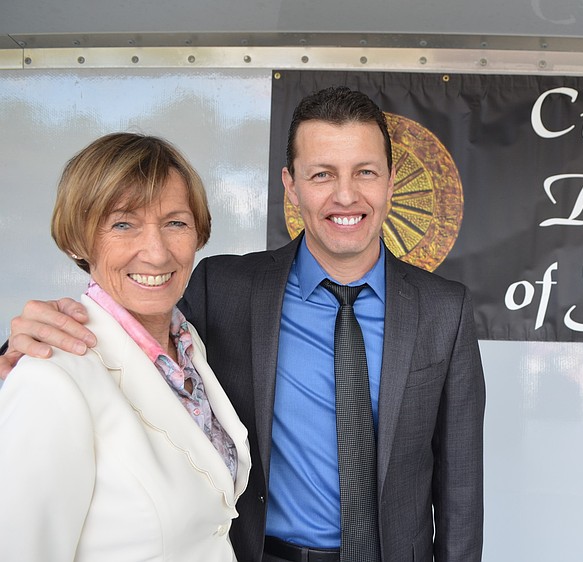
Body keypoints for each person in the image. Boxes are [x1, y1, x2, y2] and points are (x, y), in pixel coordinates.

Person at [1, 86, 486, 561]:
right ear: (291, 185)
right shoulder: (222, 287)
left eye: (365, 172)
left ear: (390, 181)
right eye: (321, 174)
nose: (345, 194)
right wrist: (15, 351)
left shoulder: (446, 310)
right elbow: (125, 319)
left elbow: (460, 481)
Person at [0, 133, 251, 561]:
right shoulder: (50, 379)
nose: (156, 253)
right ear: (78, 241)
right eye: (123, 224)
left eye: (175, 222)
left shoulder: (188, 348)